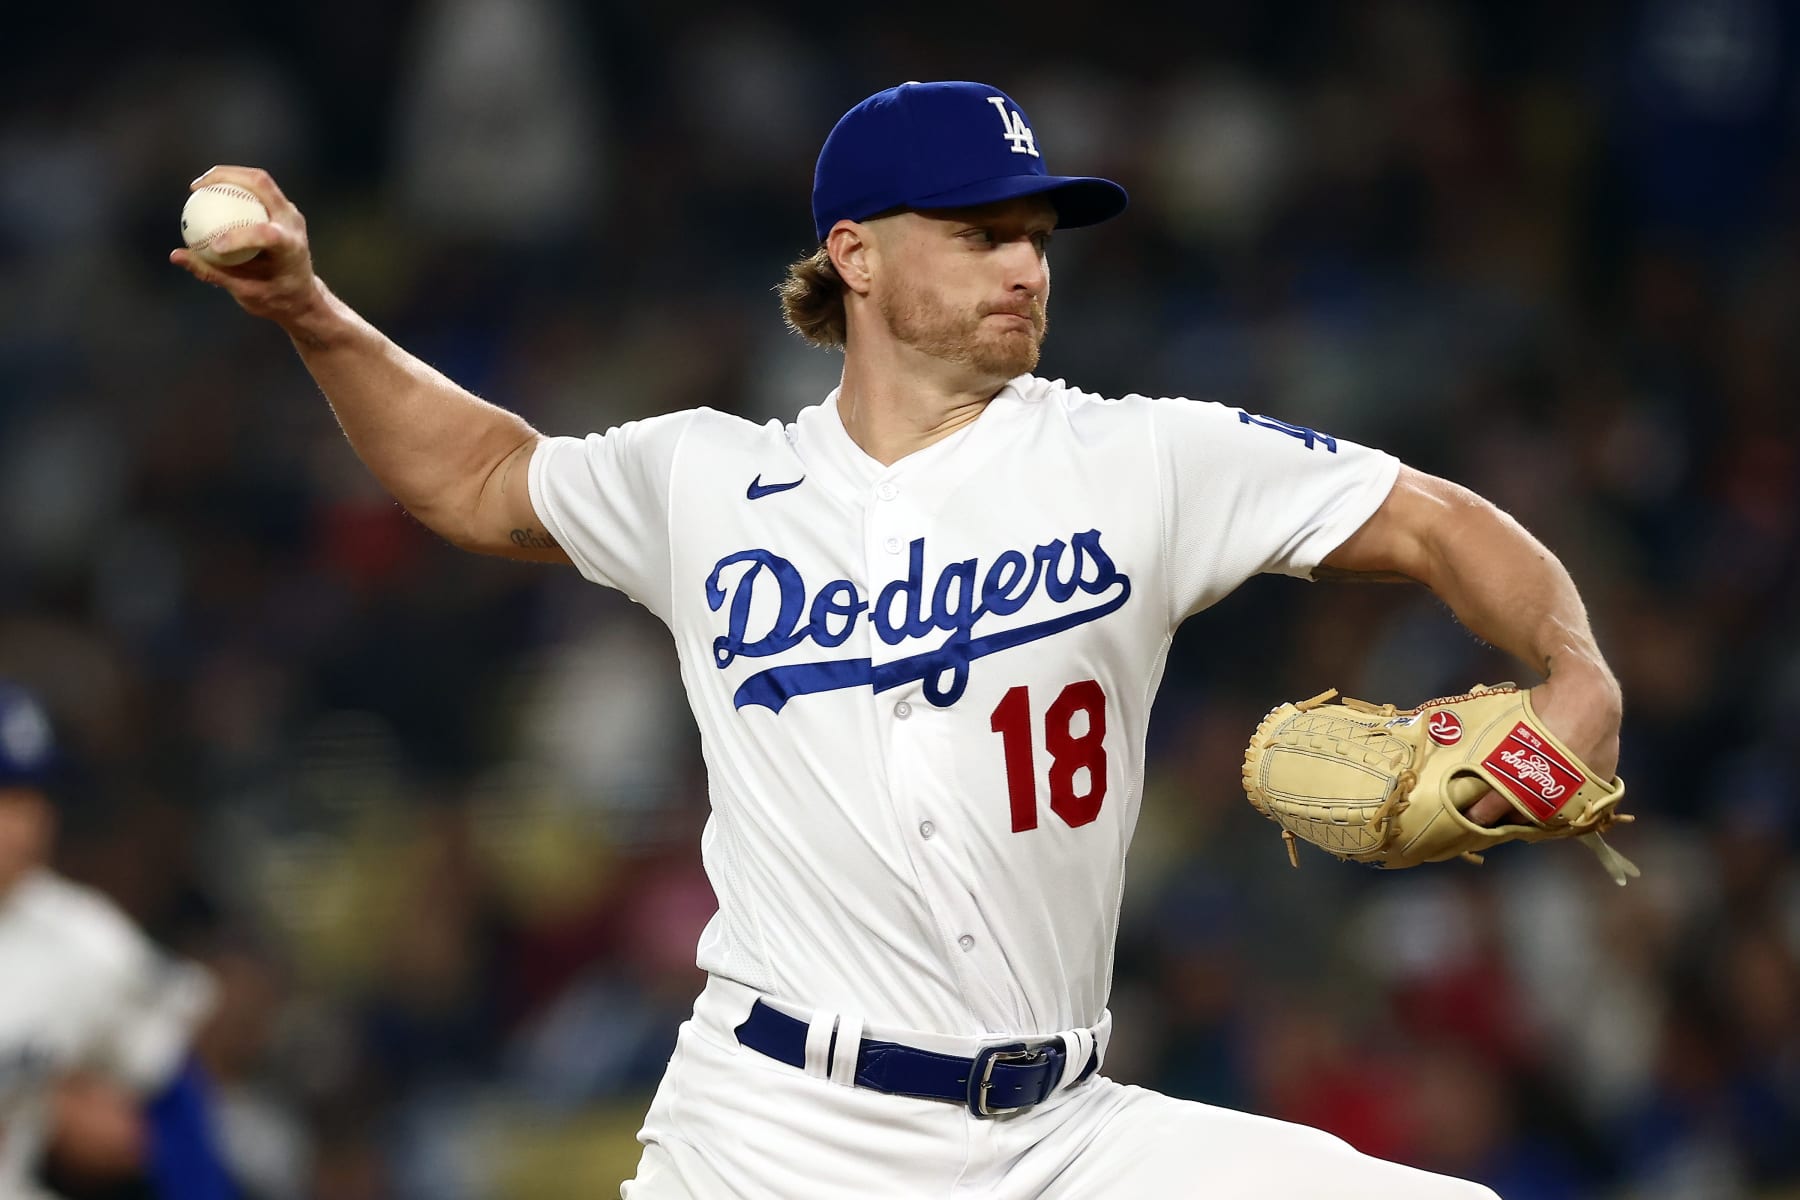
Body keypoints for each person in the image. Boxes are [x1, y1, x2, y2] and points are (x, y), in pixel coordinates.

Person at [172, 80, 1624, 1198]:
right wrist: (308, 309)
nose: (1025, 266)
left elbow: (1432, 520)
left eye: (1037, 237)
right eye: (981, 231)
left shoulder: (1144, 461)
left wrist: (1576, 673)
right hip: (776, 1130)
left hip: (1063, 1135)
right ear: (855, 256)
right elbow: (485, 480)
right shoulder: (708, 481)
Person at [0, 682, 235, 1200]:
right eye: (4, 798)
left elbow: (169, 1083)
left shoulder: (78, 940)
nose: (24, 826)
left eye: (33, 799)